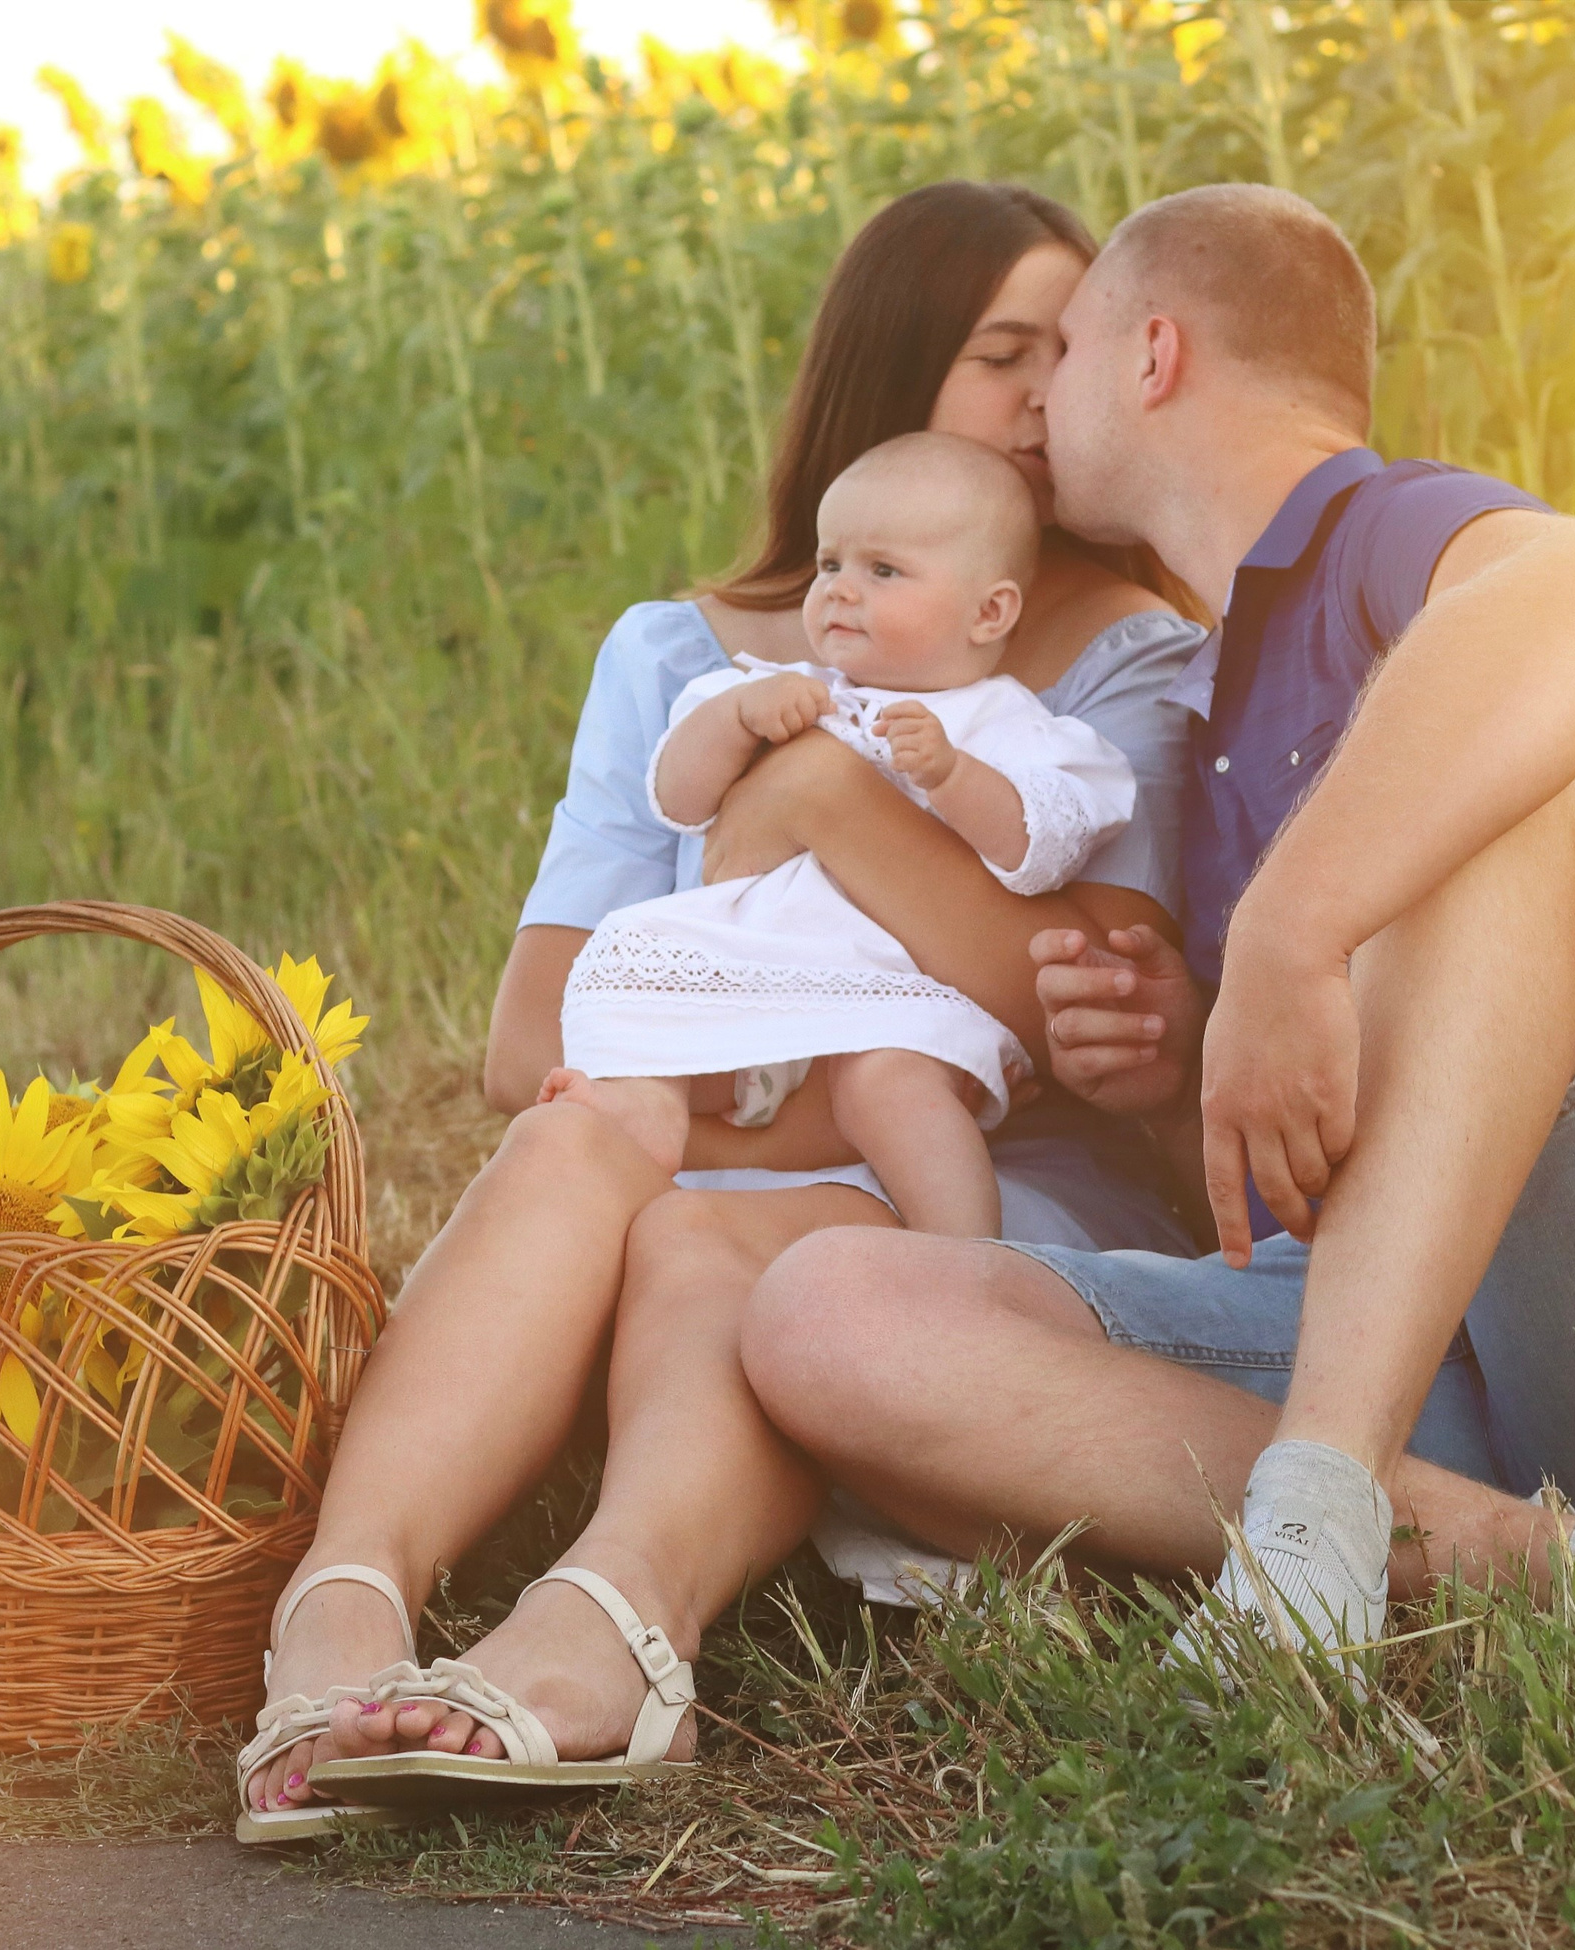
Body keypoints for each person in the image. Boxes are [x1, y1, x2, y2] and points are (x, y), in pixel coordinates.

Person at [741, 184, 1575, 1671]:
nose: (1036, 407)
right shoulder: (1214, 691)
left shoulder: (1379, 526)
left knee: (1487, 807)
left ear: (1153, 354)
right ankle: (1561, 1567)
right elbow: (1352, 1157)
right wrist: (1168, 1074)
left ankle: (1314, 1515)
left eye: (1069, 352)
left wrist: (1291, 926)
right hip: (1461, 1364)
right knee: (824, 1315)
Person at [235, 182, 1213, 1832]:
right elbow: (528, 1037)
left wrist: (824, 804)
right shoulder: (683, 656)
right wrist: (746, 1049)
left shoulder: (1126, 662)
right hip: (692, 1103)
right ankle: (341, 1605)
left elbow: (1091, 1038)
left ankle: (611, 1621)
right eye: (1003, 356)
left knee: (715, 1220)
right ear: (897, 375)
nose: (1054, 396)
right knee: (576, 1135)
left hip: (967, 1167)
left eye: (1077, 349)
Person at [546, 432, 1142, 1238]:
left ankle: (961, 1254)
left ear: (990, 610)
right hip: (758, 970)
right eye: (829, 565)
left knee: (888, 1089)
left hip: (903, 995)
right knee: (649, 1041)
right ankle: (635, 1147)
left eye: (882, 571)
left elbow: (1041, 850)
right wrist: (735, 720)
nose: (840, 592)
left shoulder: (1013, 728)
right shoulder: (771, 685)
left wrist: (954, 778)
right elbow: (677, 797)